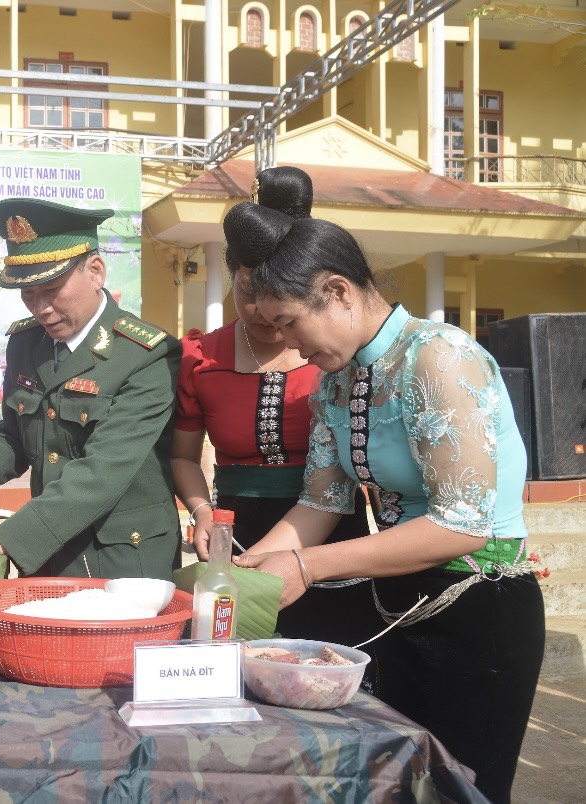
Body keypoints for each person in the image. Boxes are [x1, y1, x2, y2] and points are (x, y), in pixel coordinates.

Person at [223, 194, 544, 803]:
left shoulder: (440, 357)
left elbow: (461, 525)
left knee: (460, 790)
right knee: (394, 787)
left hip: (479, 611)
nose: (284, 341)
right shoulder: (336, 382)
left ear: (339, 291)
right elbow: (321, 503)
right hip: (396, 606)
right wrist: (240, 572)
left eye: (289, 321)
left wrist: (305, 566)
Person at [172, 166, 378, 651]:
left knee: (333, 654)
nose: (264, 314)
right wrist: (202, 511)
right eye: (250, 295)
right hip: (236, 528)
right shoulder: (200, 357)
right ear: (232, 280)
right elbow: (182, 454)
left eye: (280, 304)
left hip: (334, 529)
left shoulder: (337, 353)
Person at [0, 198, 182, 580]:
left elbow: (103, 471)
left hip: (121, 562)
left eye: (52, 288)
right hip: (48, 559)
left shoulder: (145, 355)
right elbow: (16, 436)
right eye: (28, 294)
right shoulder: (26, 343)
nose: (41, 308)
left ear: (95, 270)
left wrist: (2, 543)